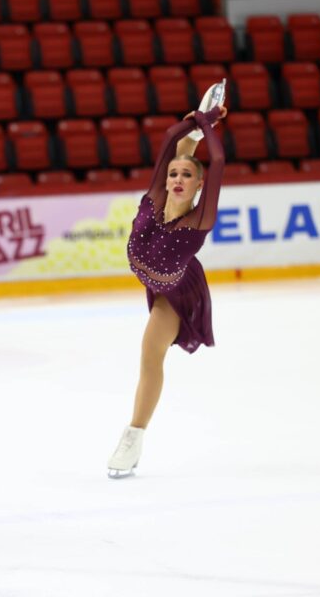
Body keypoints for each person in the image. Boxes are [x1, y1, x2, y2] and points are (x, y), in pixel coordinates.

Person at [107, 104, 227, 478]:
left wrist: (206, 129)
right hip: (155, 282)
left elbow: (218, 161)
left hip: (177, 292)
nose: (176, 178)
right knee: (148, 355)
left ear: (198, 184)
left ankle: (133, 436)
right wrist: (193, 121)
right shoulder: (155, 198)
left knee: (149, 356)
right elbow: (169, 141)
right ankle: (135, 435)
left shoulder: (199, 219)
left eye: (186, 174)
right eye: (174, 172)